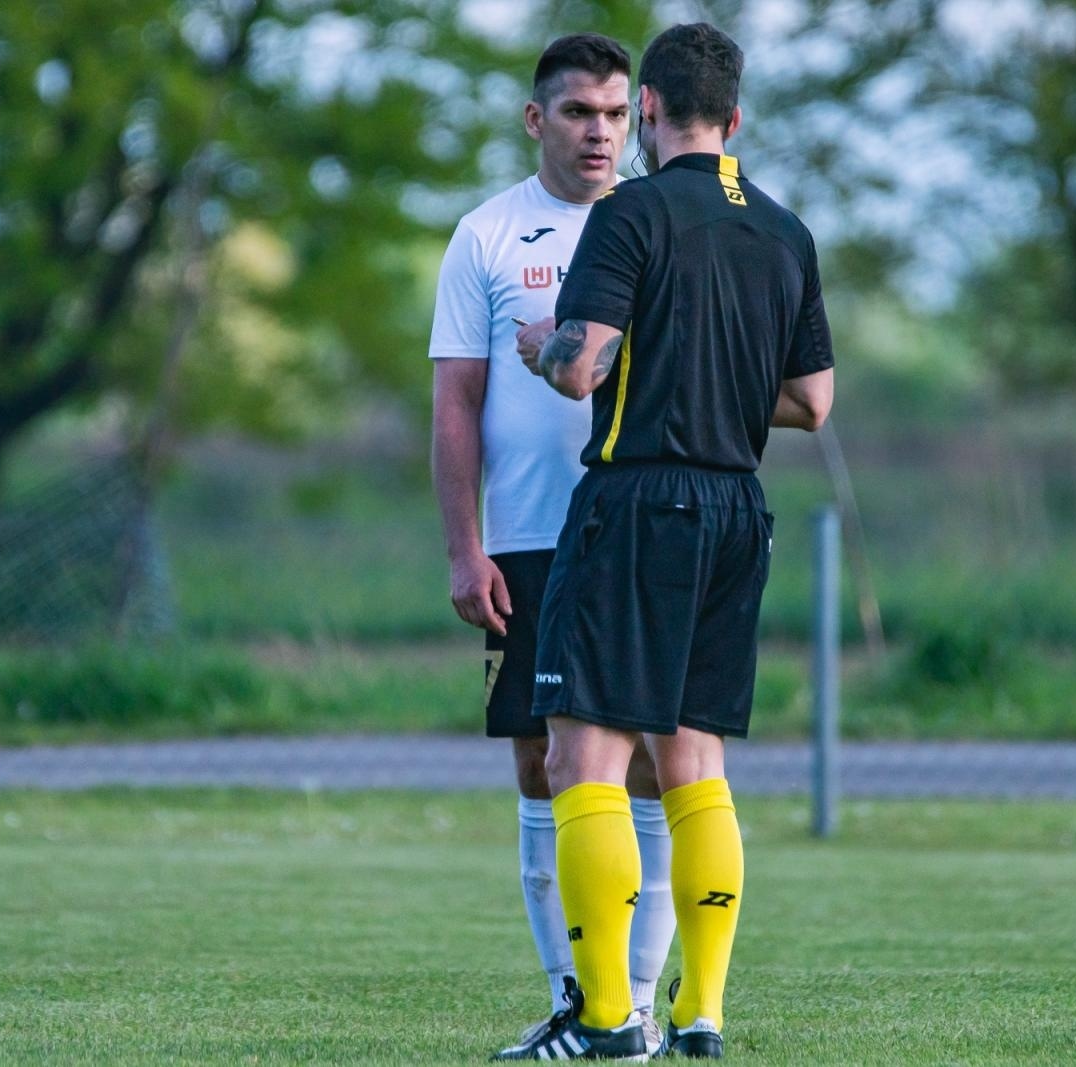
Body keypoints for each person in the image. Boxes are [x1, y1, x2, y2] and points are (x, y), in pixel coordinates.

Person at [500, 22, 835, 1061]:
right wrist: (721, 388)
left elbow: (581, 367)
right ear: (734, 120)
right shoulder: (784, 231)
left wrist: (540, 346)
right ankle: (701, 1013)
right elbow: (813, 402)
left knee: (581, 755)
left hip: (640, 502)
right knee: (694, 761)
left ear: (647, 111)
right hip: (740, 511)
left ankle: (606, 1019)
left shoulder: (631, 212)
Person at [426, 33, 676, 1060]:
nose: (601, 133)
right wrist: (463, 547)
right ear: (538, 119)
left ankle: (643, 1006)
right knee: (541, 764)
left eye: (618, 114)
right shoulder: (487, 236)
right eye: (580, 112)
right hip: (528, 539)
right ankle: (580, 996)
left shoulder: (663, 226)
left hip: (645, 529)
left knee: (655, 765)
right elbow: (454, 404)